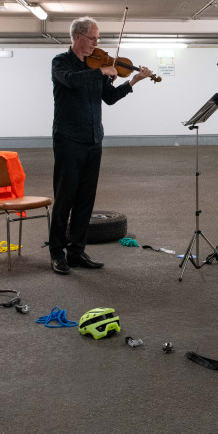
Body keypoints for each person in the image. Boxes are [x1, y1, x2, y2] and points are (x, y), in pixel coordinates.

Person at [48, 16, 155, 274]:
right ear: (77, 37)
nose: (97, 43)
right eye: (93, 38)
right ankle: (56, 254)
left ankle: (76, 252)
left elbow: (109, 98)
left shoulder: (99, 65)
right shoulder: (61, 63)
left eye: (98, 38)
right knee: (65, 199)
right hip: (68, 139)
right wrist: (101, 72)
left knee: (86, 200)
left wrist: (132, 82)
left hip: (94, 139)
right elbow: (72, 80)